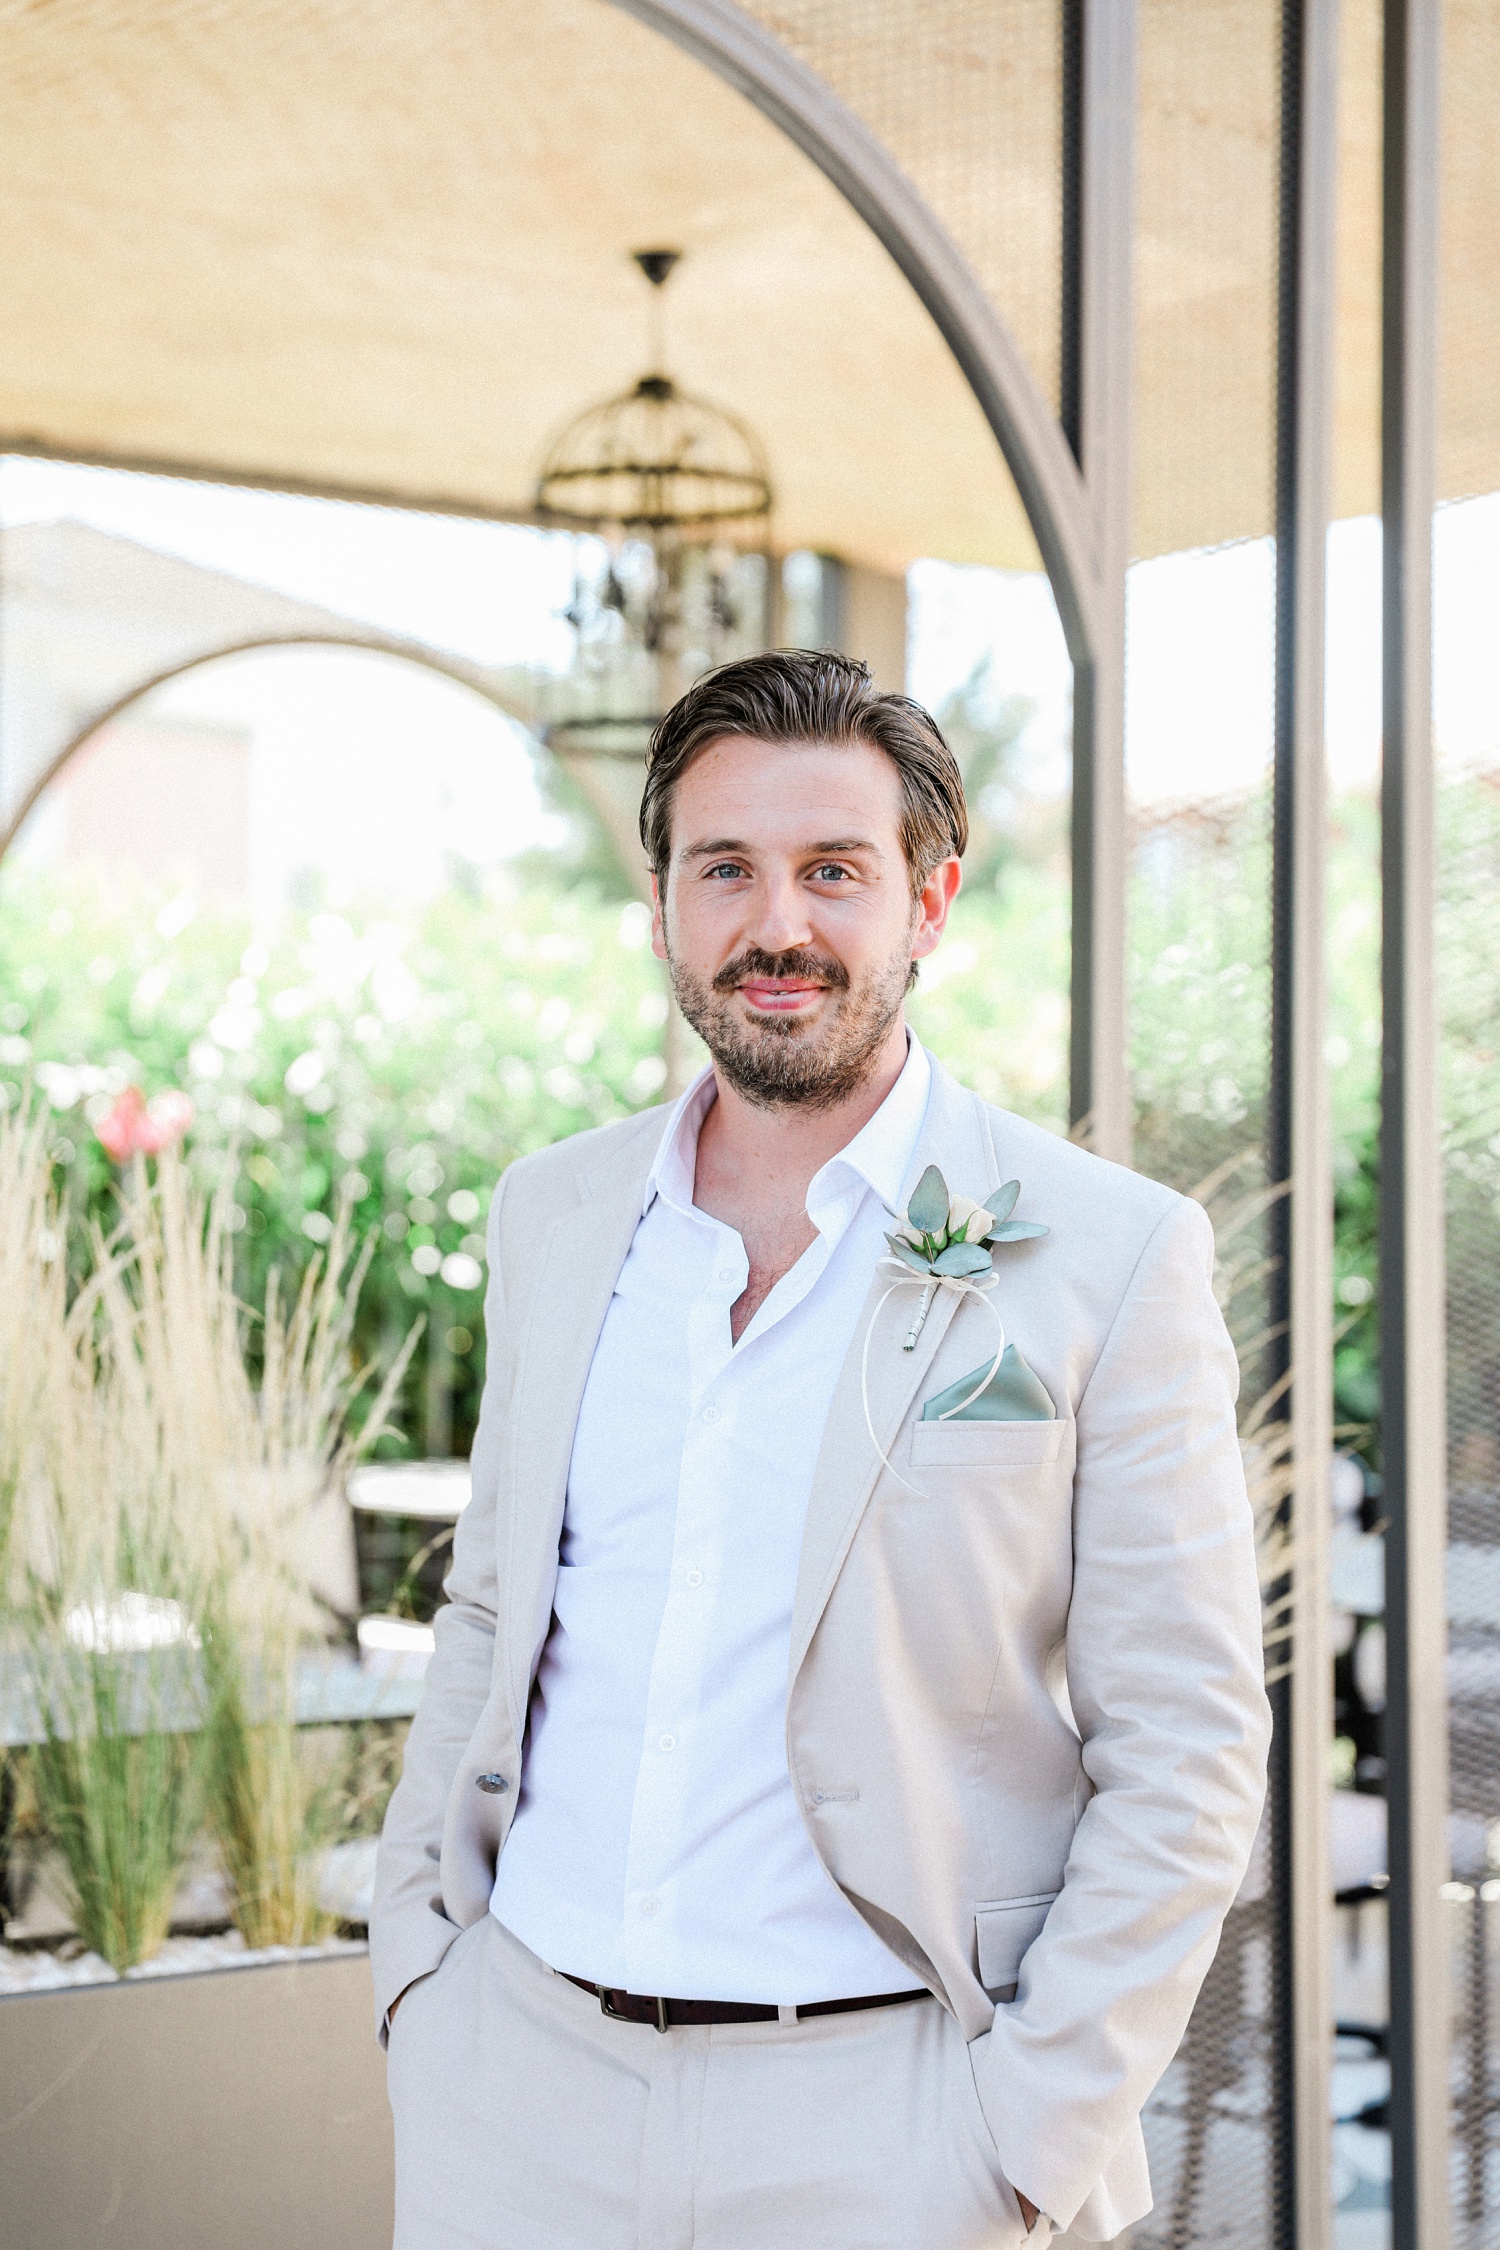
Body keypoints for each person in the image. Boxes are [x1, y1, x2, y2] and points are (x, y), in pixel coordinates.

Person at [372, 650, 1270, 2249]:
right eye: (725, 867)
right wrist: (422, 1986)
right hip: (516, 2099)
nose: (775, 925)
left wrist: (1024, 2132)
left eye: (833, 871)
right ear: (662, 903)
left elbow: (1189, 1748)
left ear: (927, 902)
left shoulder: (1106, 1254)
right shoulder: (556, 1217)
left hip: (895, 2130)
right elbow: (495, 1616)